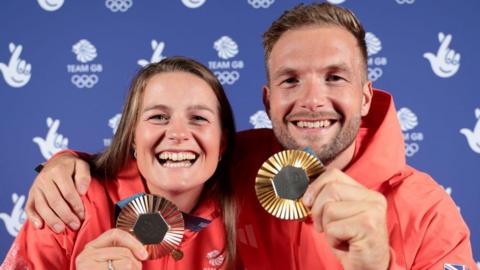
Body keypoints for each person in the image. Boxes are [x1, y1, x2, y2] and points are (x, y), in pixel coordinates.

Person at [20, 3, 476, 270]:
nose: (312, 100)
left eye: (335, 77)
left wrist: (382, 266)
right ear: (267, 98)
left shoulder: (428, 211)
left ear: (364, 96)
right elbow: (154, 159)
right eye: (291, 80)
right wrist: (65, 163)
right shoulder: (235, 162)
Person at [2, 56, 237, 269]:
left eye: (198, 118)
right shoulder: (67, 203)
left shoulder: (246, 215)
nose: (178, 133)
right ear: (133, 137)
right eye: (158, 117)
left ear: (222, 142)